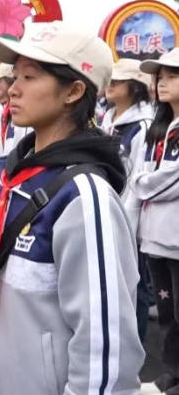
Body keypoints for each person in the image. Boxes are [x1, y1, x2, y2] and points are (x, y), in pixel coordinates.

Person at [0, 22, 144, 395]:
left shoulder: (85, 197)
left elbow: (105, 353)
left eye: (30, 77)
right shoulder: (7, 176)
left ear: (74, 91)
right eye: (14, 75)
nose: (12, 88)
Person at [134, 48, 179, 393]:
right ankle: (171, 373)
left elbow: (167, 178)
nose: (162, 83)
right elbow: (143, 172)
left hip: (175, 237)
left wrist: (143, 183)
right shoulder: (161, 127)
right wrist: (144, 181)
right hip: (155, 236)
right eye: (160, 77)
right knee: (166, 314)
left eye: (172, 76)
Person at [102, 58, 156, 341]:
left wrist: (125, 221)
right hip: (108, 208)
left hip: (128, 218)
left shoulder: (142, 125)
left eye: (118, 81)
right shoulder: (108, 119)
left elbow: (138, 179)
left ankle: (136, 346)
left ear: (134, 87)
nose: (110, 85)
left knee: (136, 287)